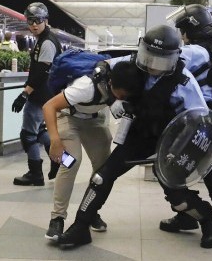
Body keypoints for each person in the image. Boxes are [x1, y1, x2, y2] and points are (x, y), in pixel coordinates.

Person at [57, 25, 212, 249]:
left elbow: (201, 121)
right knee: (101, 177)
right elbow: (103, 67)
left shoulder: (185, 82)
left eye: (159, 61)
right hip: (139, 134)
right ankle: (80, 227)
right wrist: (111, 100)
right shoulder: (135, 61)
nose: (152, 65)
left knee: (176, 192)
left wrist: (180, 153)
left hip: (172, 141)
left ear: (173, 58)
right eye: (148, 57)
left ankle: (207, 220)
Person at [42, 61, 145, 241]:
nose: (123, 98)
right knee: (70, 162)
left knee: (105, 168)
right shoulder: (86, 87)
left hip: (93, 120)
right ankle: (57, 218)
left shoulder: (127, 84)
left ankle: (89, 210)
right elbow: (49, 106)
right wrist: (55, 140)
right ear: (112, 84)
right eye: (121, 95)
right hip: (67, 117)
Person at [159, 3, 212, 233]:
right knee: (207, 161)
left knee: (176, 165)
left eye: (182, 31)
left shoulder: (192, 52)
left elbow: (164, 69)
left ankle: (187, 215)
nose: (181, 36)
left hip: (191, 117)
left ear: (189, 31)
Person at [11, 2, 62, 186]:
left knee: (28, 135)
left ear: (45, 20)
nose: (33, 24)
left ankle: (35, 175)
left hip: (40, 96)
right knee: (39, 131)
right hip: (46, 95)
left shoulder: (47, 41)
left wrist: (25, 94)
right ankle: (63, 161)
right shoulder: (45, 38)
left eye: (38, 20)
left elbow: (42, 72)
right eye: (30, 20)